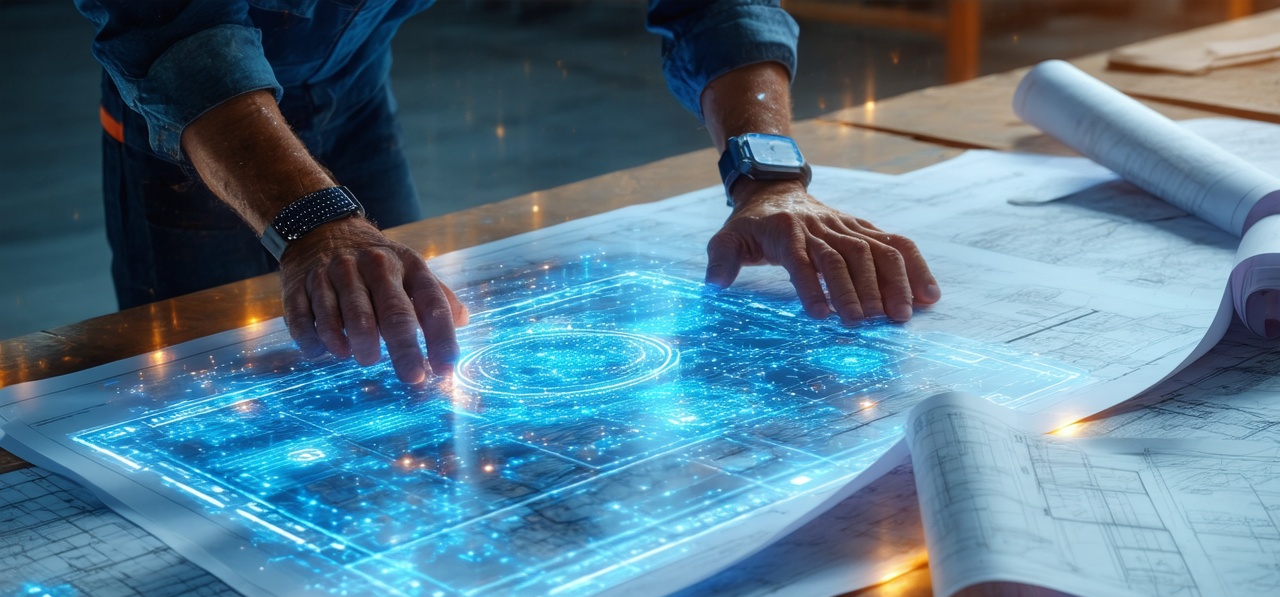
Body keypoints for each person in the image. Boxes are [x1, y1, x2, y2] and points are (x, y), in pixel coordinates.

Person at [77, 0, 940, 385]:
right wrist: (313, 224)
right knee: (215, 412)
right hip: (195, 127)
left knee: (393, 355)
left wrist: (769, 175)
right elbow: (180, 36)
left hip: (352, 78)